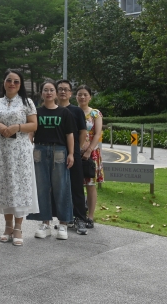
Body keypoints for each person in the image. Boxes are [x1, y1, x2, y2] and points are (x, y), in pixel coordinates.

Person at [0, 69, 38, 246]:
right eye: (9, 80)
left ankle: (18, 227)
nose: (12, 84)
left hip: (20, 151)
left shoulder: (27, 102)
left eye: (16, 81)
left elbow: (34, 125)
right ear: (4, 82)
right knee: (5, 187)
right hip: (1, 150)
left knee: (19, 187)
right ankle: (8, 226)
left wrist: (17, 127)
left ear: (20, 84)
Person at [27, 81, 75, 240]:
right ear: (41, 93)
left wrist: (71, 154)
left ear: (55, 93)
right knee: (41, 188)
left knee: (61, 187)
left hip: (59, 151)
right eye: (45, 90)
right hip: (39, 151)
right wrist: (28, 149)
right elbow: (31, 133)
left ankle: (63, 224)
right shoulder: (36, 112)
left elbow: (69, 135)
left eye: (51, 90)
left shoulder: (64, 112)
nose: (48, 93)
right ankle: (45, 224)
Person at [57, 79, 89, 235]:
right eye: (60, 89)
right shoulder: (52, 110)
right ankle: (65, 218)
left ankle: (80, 218)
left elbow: (83, 132)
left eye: (66, 89)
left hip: (73, 152)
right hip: (56, 152)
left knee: (76, 185)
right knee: (59, 187)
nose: (63, 92)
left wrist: (76, 148)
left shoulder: (76, 111)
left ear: (70, 93)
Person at [76, 85, 104, 228]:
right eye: (79, 94)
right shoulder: (71, 111)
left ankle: (90, 217)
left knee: (90, 185)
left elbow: (98, 134)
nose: (82, 97)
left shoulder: (95, 114)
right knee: (75, 185)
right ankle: (77, 215)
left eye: (85, 94)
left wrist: (89, 151)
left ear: (90, 97)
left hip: (91, 154)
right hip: (74, 153)